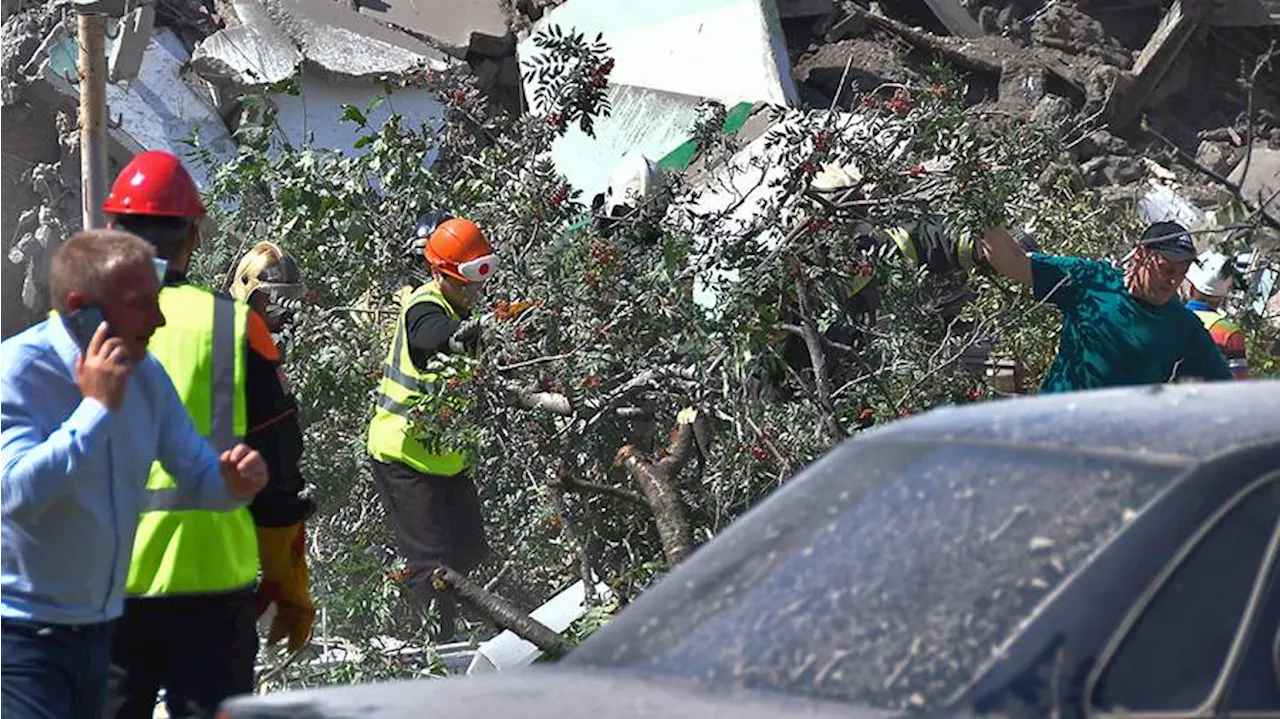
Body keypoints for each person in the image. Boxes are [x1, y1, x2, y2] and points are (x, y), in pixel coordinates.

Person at [0, 230, 268, 719]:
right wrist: (95, 409)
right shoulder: (17, 370)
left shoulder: (145, 375)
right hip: (22, 642)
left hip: (103, 633)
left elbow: (194, 471)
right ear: (84, 308)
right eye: (141, 304)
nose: (159, 319)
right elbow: (17, 493)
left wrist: (230, 484)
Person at [100, 150, 315, 719]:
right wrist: (289, 581)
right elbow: (278, 471)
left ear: (113, 231)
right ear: (193, 238)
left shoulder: (71, 330)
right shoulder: (236, 326)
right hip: (214, 595)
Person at [366, 215, 496, 643]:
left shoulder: (460, 308)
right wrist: (466, 335)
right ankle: (438, 653)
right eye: (468, 279)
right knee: (434, 567)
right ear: (443, 274)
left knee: (472, 549)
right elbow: (429, 339)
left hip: (445, 458)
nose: (475, 288)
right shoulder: (425, 307)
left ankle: (469, 630)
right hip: (402, 455)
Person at [982, 220, 1233, 392]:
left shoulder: (1184, 326)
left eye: (1182, 272)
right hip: (1051, 432)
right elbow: (1010, 261)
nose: (1173, 280)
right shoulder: (1092, 280)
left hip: (1111, 453)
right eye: (1166, 269)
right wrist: (977, 209)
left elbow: (1225, 393)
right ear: (1140, 255)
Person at [1184, 250, 1249, 379]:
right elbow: (1238, 384)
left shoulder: (1168, 320)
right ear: (1222, 295)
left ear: (1191, 288)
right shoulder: (1229, 332)